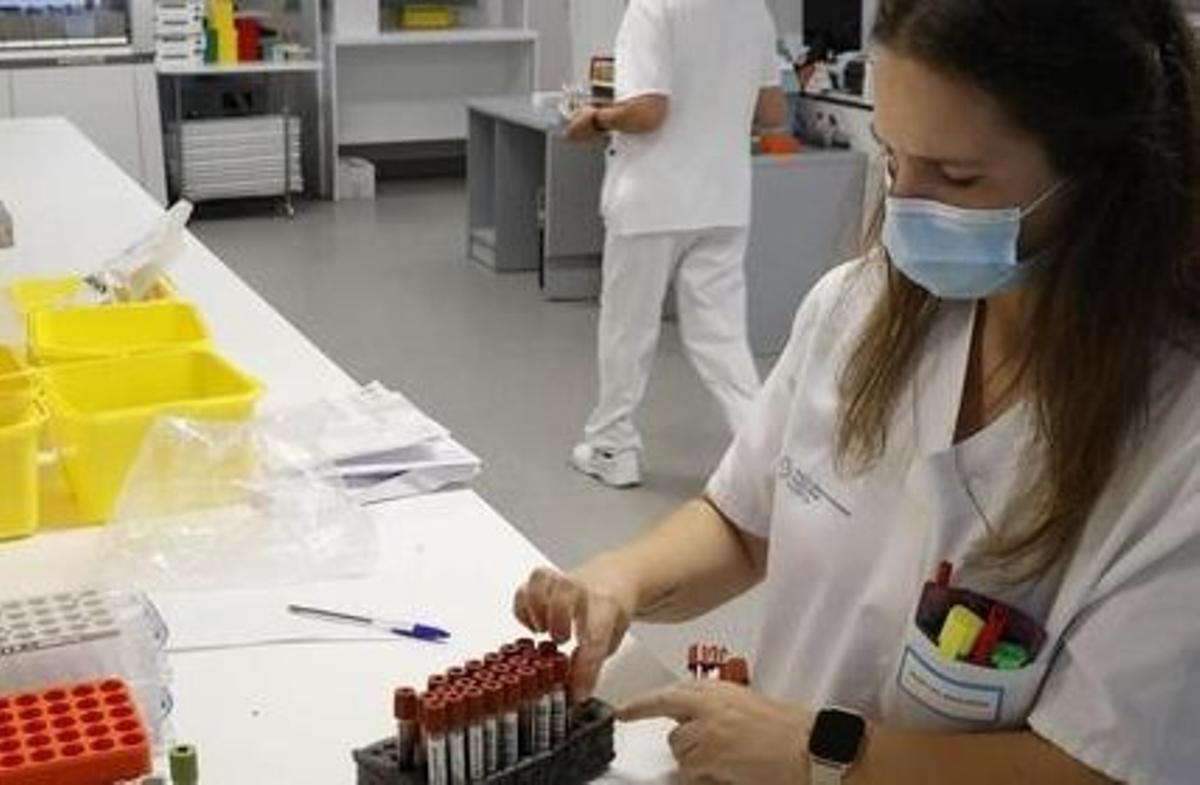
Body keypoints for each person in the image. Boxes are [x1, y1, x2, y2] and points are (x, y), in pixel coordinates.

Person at [514, 0, 1200, 782]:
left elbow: (1102, 765)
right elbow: (743, 526)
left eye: (958, 176)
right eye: (892, 157)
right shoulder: (860, 306)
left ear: (1105, 173)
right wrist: (621, 579)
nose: (906, 205)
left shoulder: (1177, 440)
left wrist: (822, 752)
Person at [564, 0, 789, 488]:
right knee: (723, 336)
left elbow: (648, 112)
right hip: (724, 198)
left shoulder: (653, 8)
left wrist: (596, 119)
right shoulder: (752, 11)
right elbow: (773, 111)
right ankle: (765, 460)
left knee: (629, 328)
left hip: (653, 201)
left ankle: (612, 447)